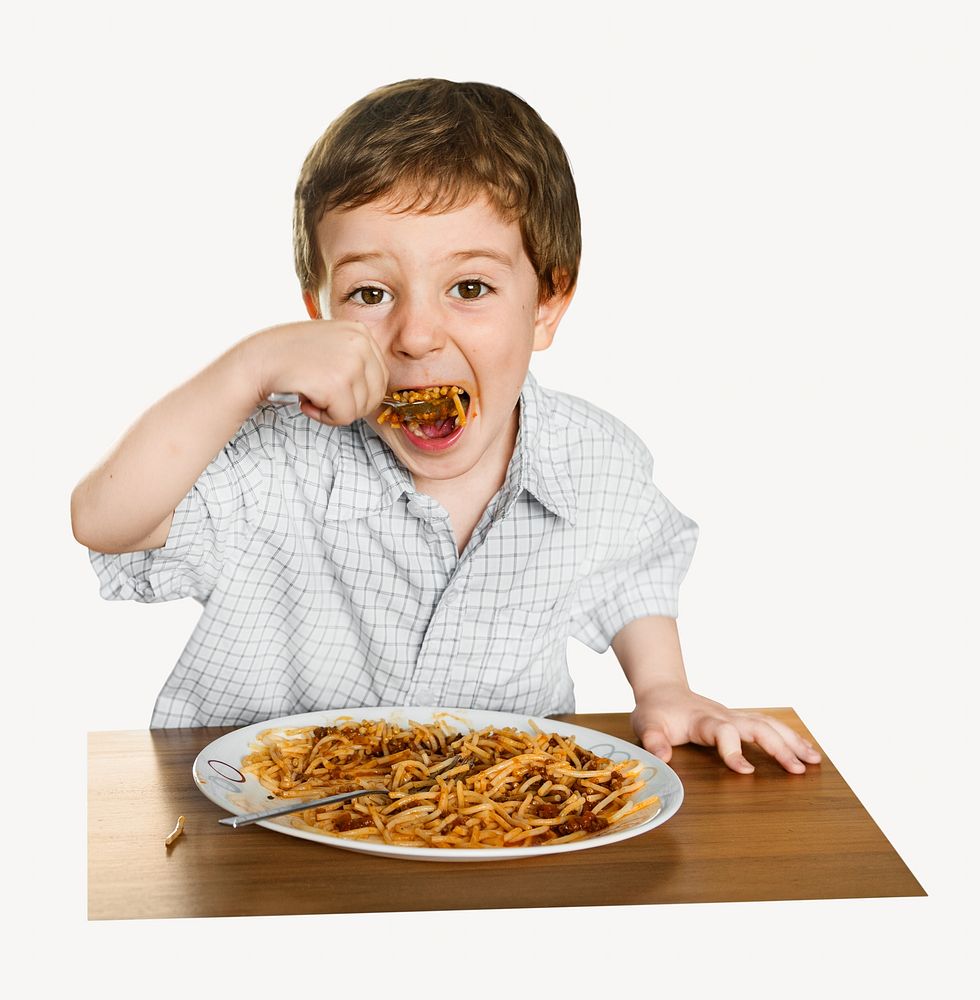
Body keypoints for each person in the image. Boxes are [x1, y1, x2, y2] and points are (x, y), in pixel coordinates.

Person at [72, 78, 820, 775]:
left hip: (488, 824)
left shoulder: (591, 457)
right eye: (369, 292)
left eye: (470, 287)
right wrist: (246, 370)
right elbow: (104, 520)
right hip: (255, 823)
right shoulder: (277, 452)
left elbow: (634, 566)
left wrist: (663, 688)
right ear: (319, 313)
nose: (417, 334)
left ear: (549, 302)